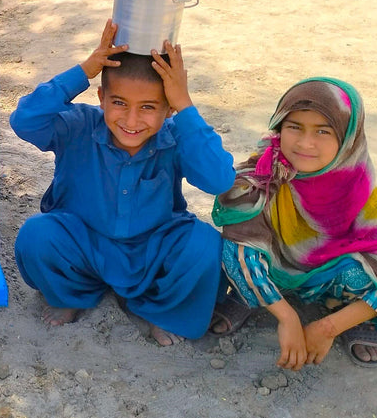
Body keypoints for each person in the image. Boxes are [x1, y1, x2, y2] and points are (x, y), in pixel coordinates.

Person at [12, 20, 235, 345]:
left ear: (168, 108)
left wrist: (186, 106)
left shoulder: (175, 136)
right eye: (119, 103)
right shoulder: (78, 126)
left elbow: (220, 179)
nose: (131, 121)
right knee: (37, 235)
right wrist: (84, 71)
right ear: (102, 98)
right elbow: (24, 120)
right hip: (83, 244)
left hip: (152, 251)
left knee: (205, 246)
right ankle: (72, 295)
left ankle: (161, 311)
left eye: (148, 107)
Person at [211, 78, 377, 369]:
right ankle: (255, 297)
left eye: (323, 131)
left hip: (331, 281)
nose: (305, 143)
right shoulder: (264, 175)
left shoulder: (357, 188)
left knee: (371, 273)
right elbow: (239, 244)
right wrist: (287, 318)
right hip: (275, 267)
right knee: (235, 246)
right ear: (279, 127)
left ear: (348, 138)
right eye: (294, 127)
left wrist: (327, 328)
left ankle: (346, 317)